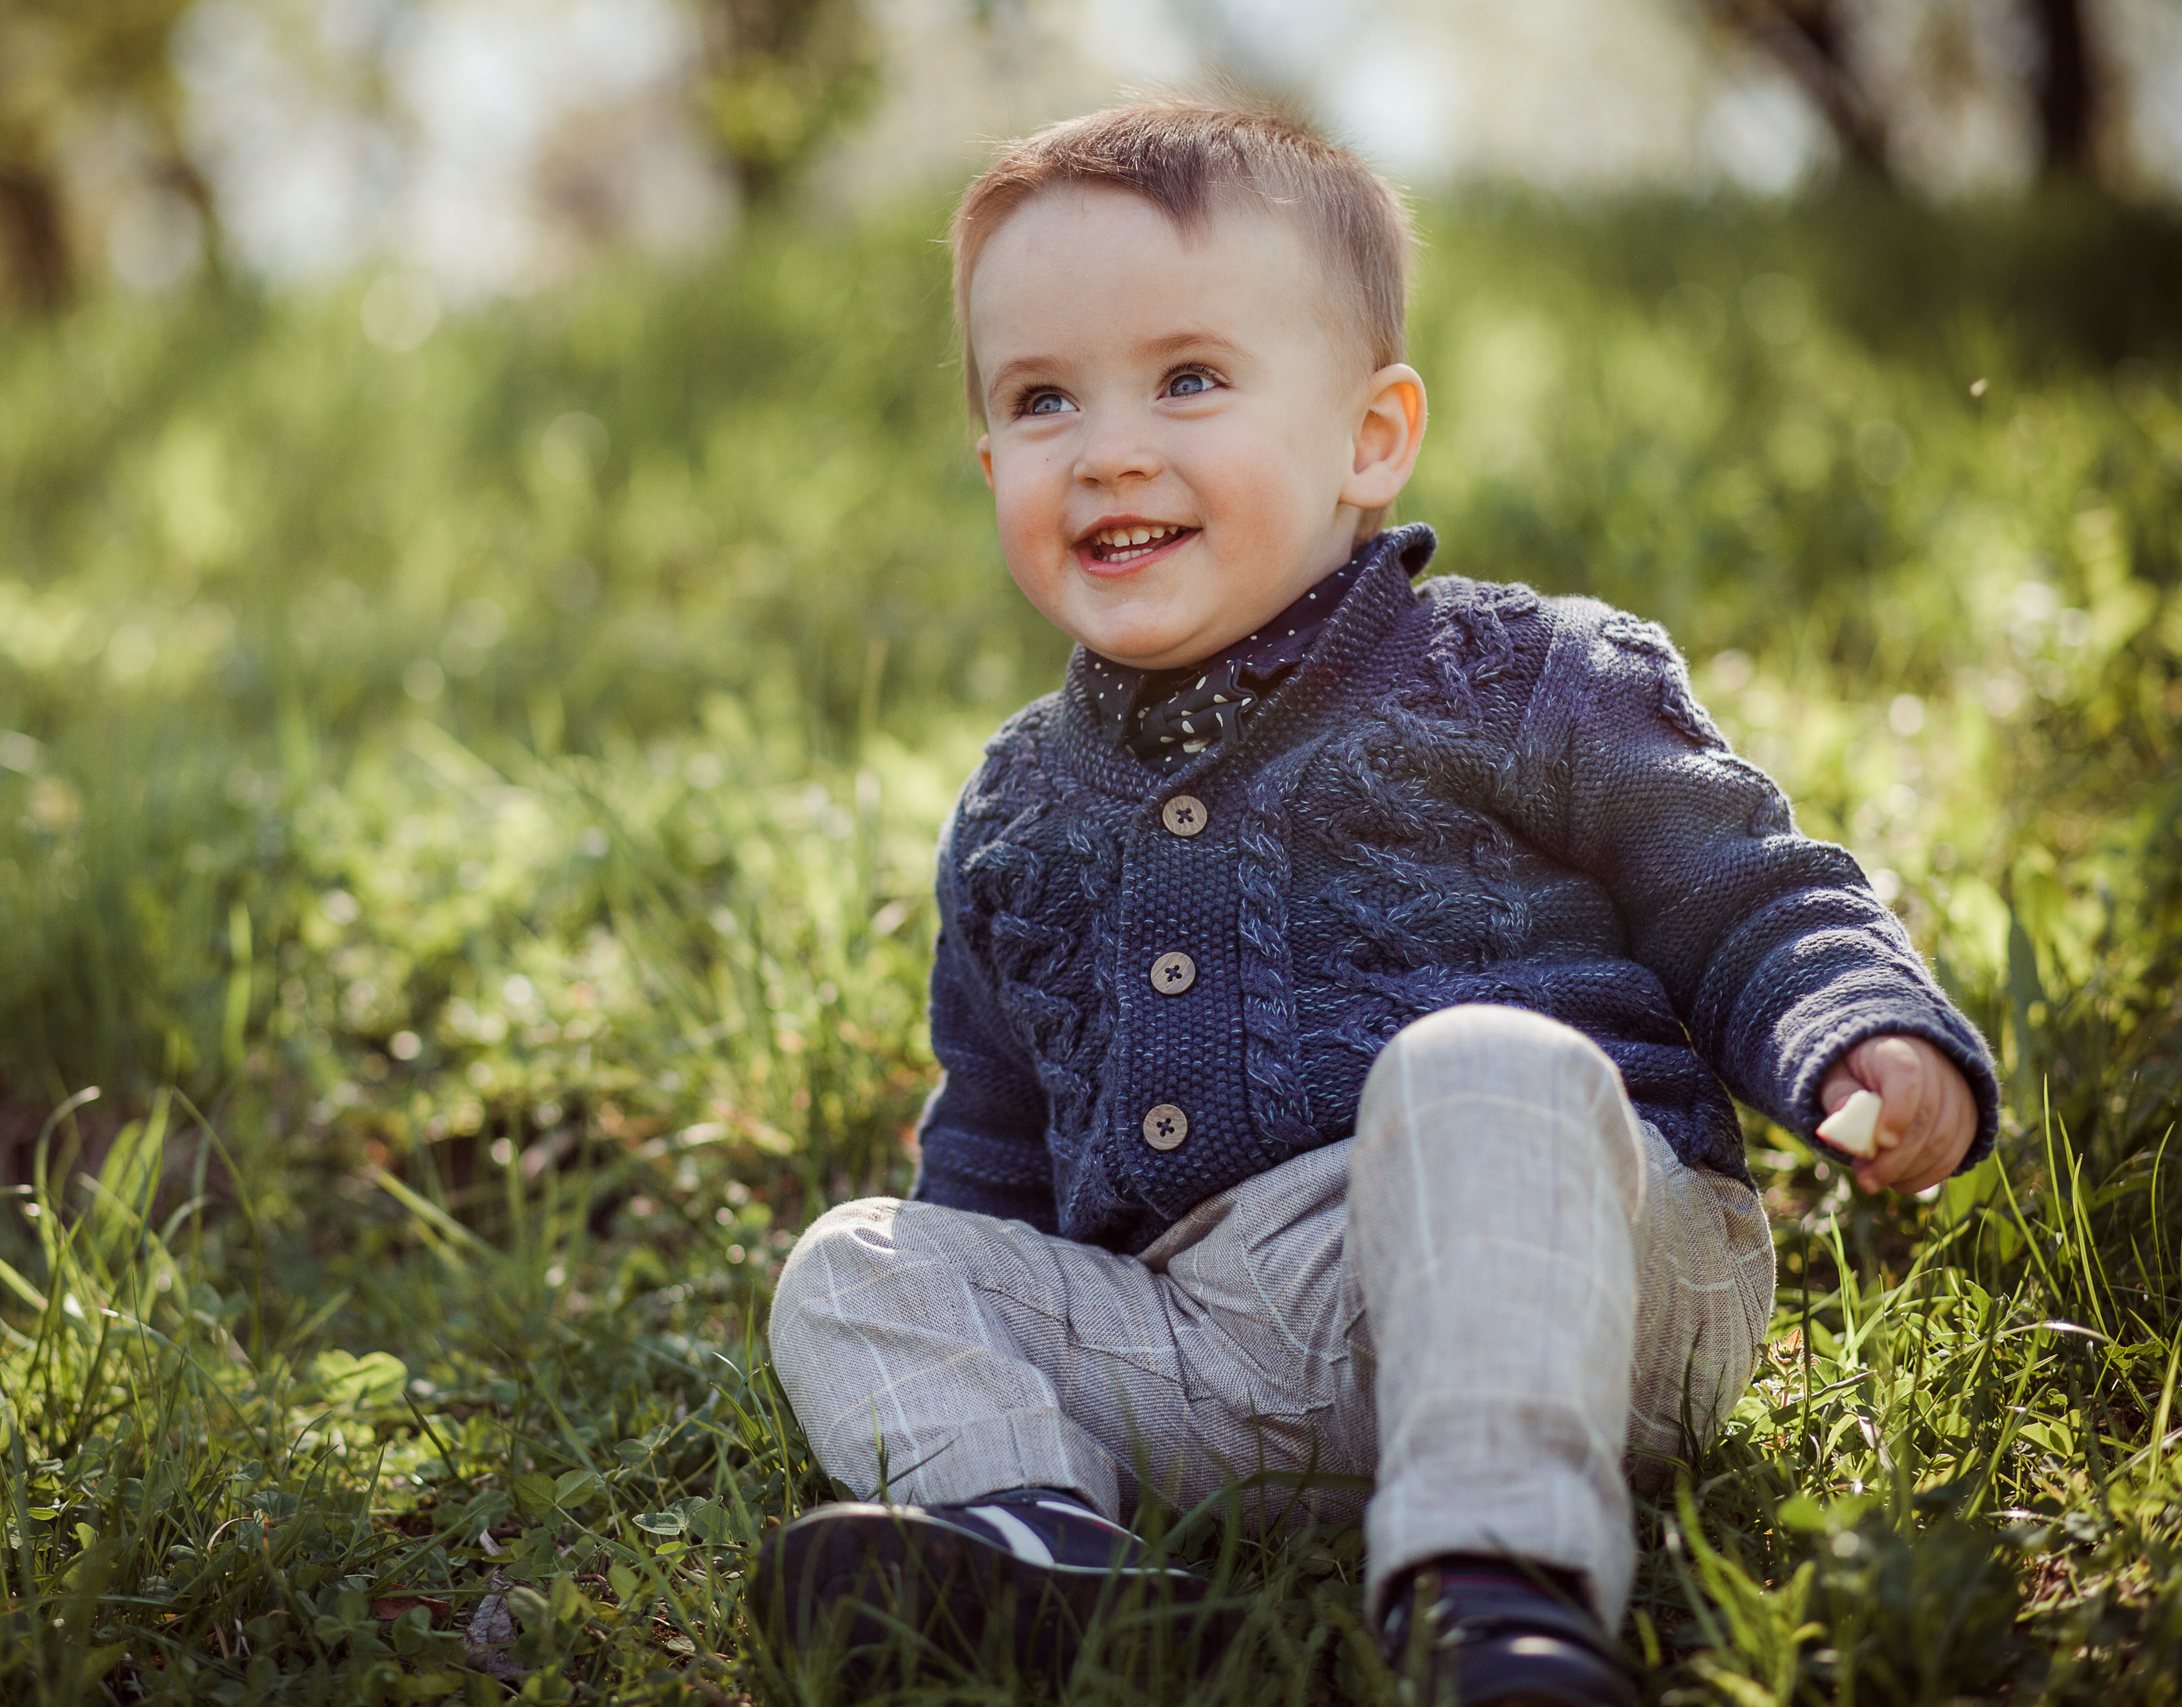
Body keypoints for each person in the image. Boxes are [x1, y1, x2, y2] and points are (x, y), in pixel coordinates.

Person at [752, 97, 1995, 1706]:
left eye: (1190, 378)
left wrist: (1858, 1030)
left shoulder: (1521, 676)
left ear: (1371, 437)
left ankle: (1503, 1594)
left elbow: (1746, 891)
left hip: (1578, 1268)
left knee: (1481, 1063)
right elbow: (995, 1140)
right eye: (1042, 399)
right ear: (991, 461)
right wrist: (976, 1313)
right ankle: (1053, 1551)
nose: (1111, 446)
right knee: (856, 1260)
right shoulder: (1018, 807)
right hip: (1217, 1349)